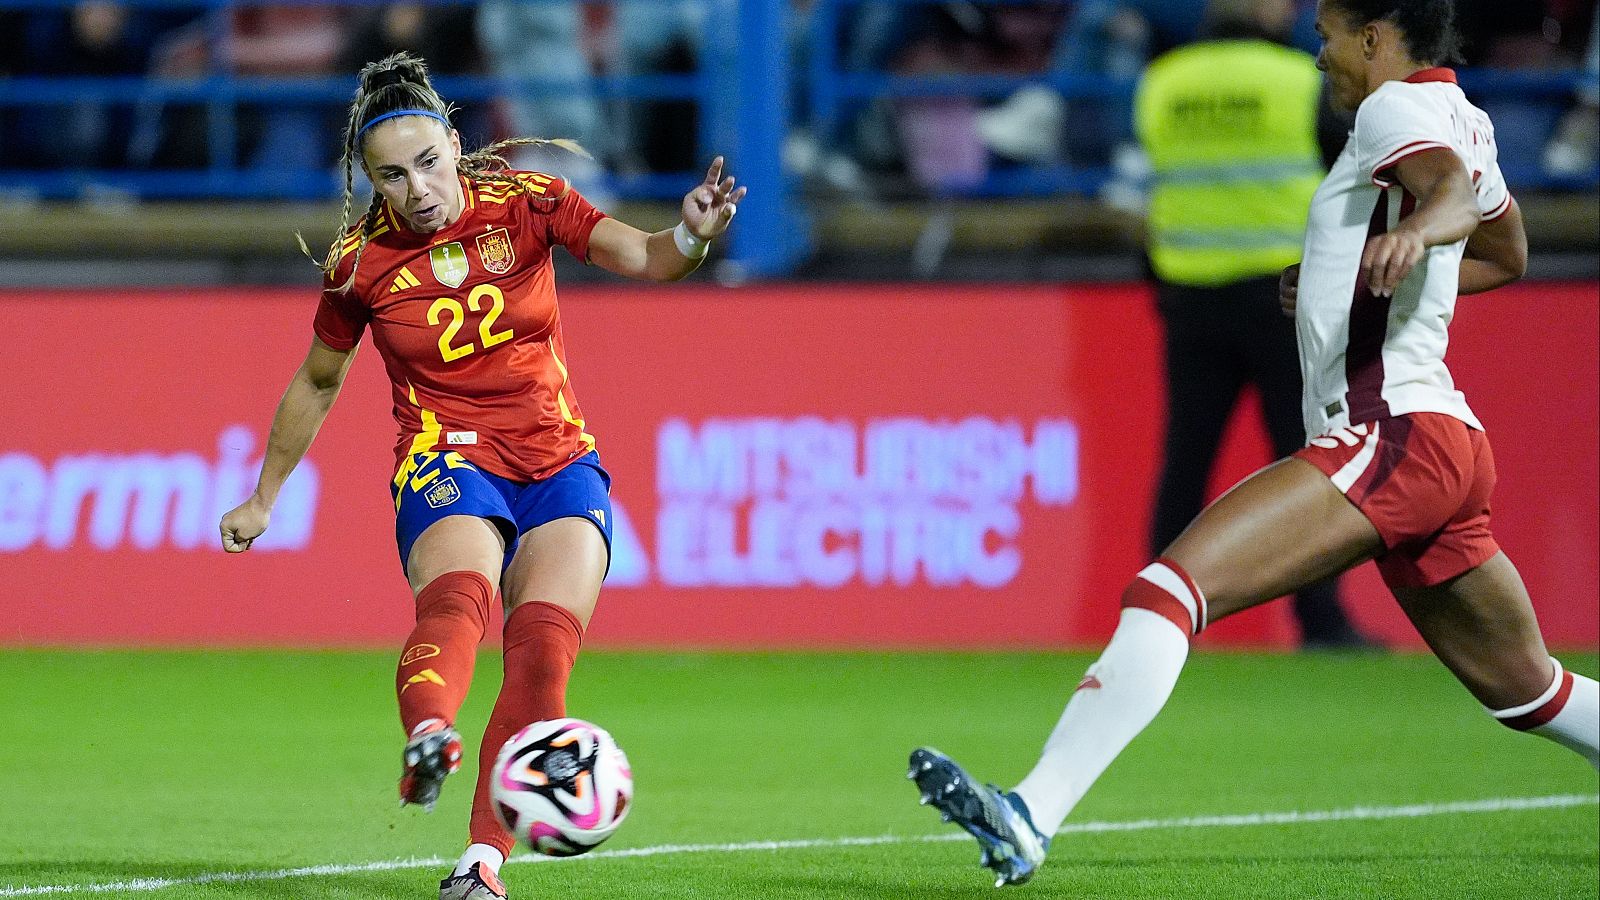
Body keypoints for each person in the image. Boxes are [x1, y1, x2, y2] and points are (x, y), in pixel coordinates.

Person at [908, 0, 1598, 887]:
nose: (1320, 58)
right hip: (1444, 442)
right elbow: (1508, 253)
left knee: (1168, 588)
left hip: (1392, 432)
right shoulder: (1464, 112)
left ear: (1376, 39)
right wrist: (1348, 277)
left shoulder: (1392, 107)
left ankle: (1032, 812)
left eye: (1328, 37)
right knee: (1526, 690)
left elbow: (1452, 199)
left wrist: (1418, 232)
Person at [218, 52, 744, 900]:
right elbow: (319, 379)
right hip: (445, 456)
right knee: (459, 595)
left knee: (541, 658)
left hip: (559, 460)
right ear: (370, 179)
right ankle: (430, 735)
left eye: (428, 162)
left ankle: (481, 864)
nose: (418, 188)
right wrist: (265, 494)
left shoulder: (528, 203)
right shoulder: (359, 265)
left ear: (457, 144)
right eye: (392, 175)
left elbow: (648, 258)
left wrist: (691, 234)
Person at [1135, 0, 1371, 650]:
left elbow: (1155, 181)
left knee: (1186, 462)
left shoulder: (1163, 82)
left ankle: (1154, 620)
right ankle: (1320, 621)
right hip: (1285, 297)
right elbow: (1348, 176)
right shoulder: (1297, 79)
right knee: (1308, 465)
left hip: (1189, 293)